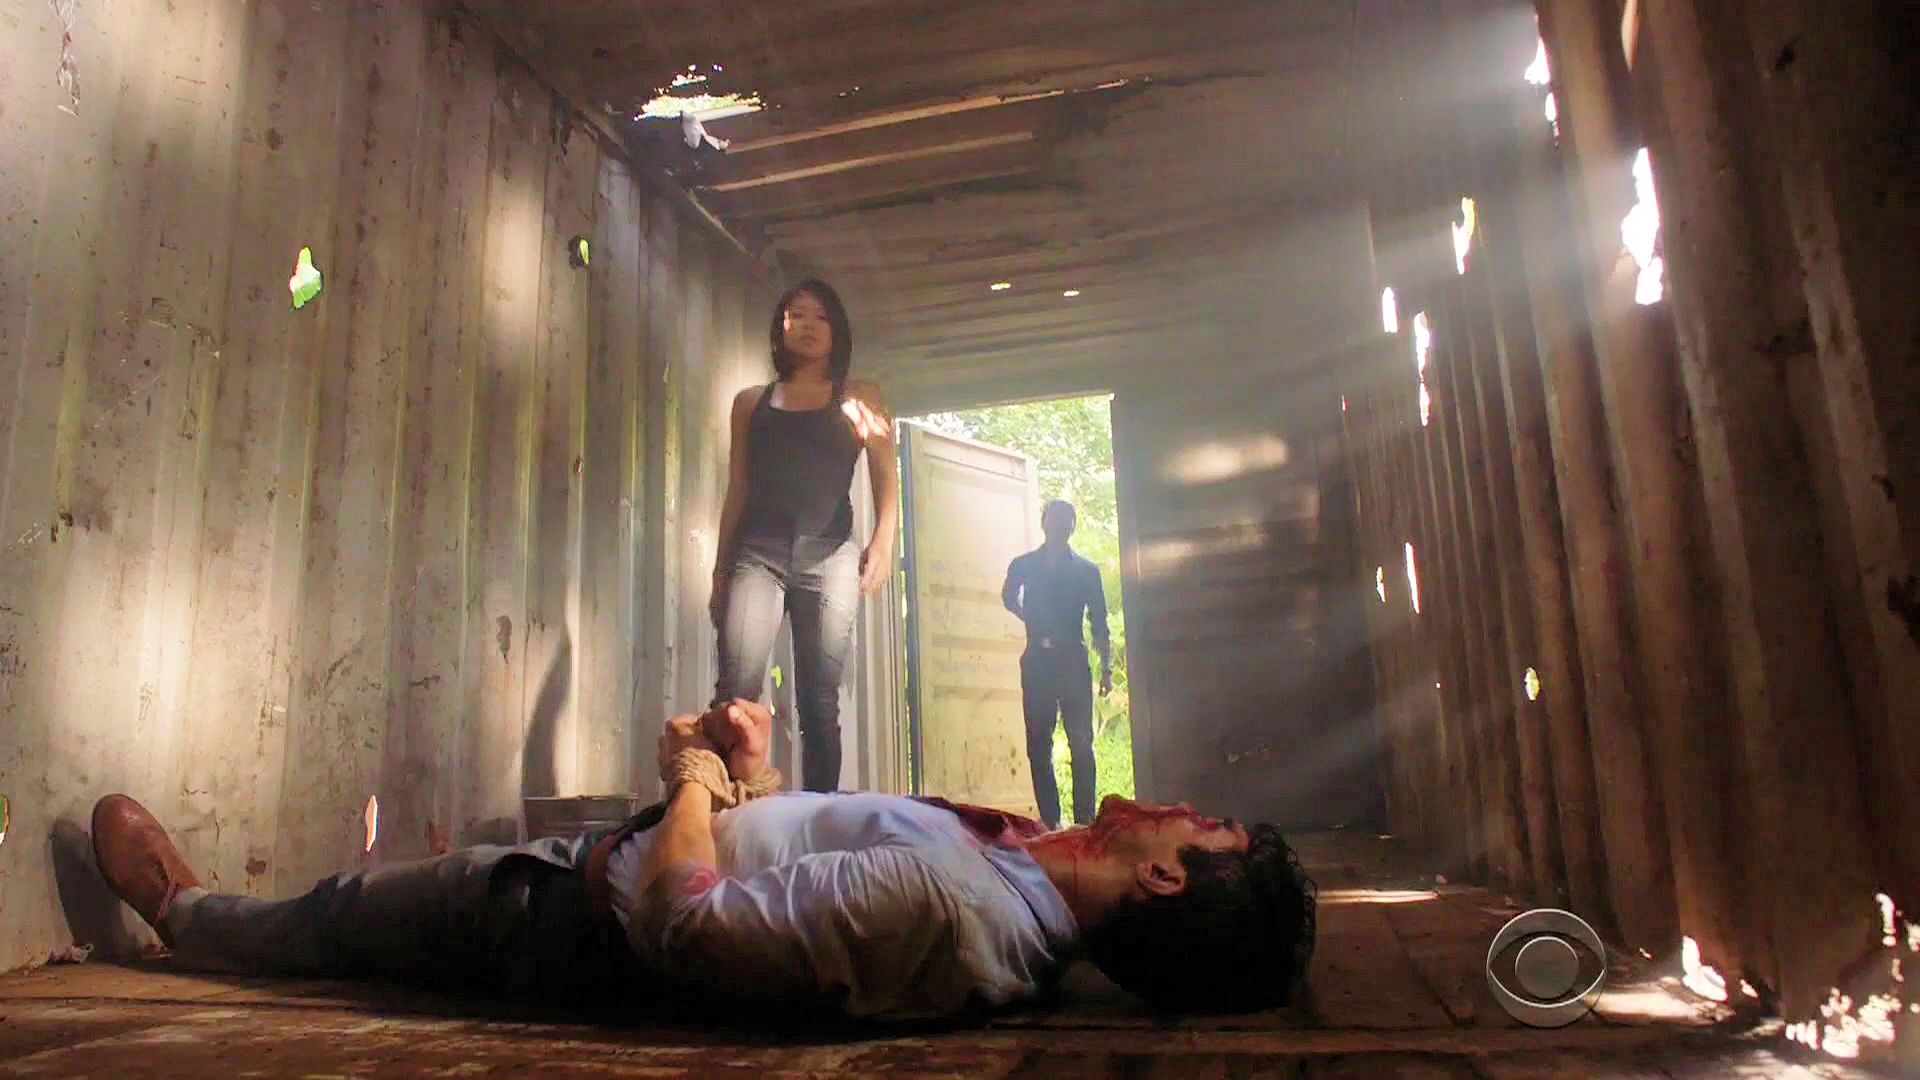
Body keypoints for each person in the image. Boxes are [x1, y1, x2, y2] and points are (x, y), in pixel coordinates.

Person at [89, 700, 1317, 1022]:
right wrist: (756, 777)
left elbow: (690, 919)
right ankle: (213, 919)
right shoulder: (1013, 872)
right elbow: (807, 869)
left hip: (562, 916)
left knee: (348, 915)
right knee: (366, 925)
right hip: (596, 872)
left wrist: (694, 776)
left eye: (1200, 826)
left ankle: (186, 915)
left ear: (1166, 879)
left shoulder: (958, 912)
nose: (1178, 805)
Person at [709, 278, 897, 793]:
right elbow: (738, 487)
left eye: (820, 316)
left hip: (831, 556)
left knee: (818, 702)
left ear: (837, 330)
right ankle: (725, 807)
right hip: (757, 556)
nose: (807, 325)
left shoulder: (860, 397)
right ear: (780, 328)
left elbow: (886, 478)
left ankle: (820, 813)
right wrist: (721, 571)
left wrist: (882, 542)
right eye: (796, 315)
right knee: (736, 694)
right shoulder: (750, 402)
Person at [1002, 499, 1112, 829]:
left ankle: (1084, 822)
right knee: (1038, 743)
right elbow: (1008, 597)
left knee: (1081, 743)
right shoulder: (1023, 565)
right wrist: (1030, 617)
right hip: (1038, 661)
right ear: (1044, 523)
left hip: (1073, 662)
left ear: (1072, 527)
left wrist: (1106, 668)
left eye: (1066, 520)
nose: (1059, 526)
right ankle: (1050, 823)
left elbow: (1099, 621)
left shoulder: (1087, 571)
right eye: (1054, 519)